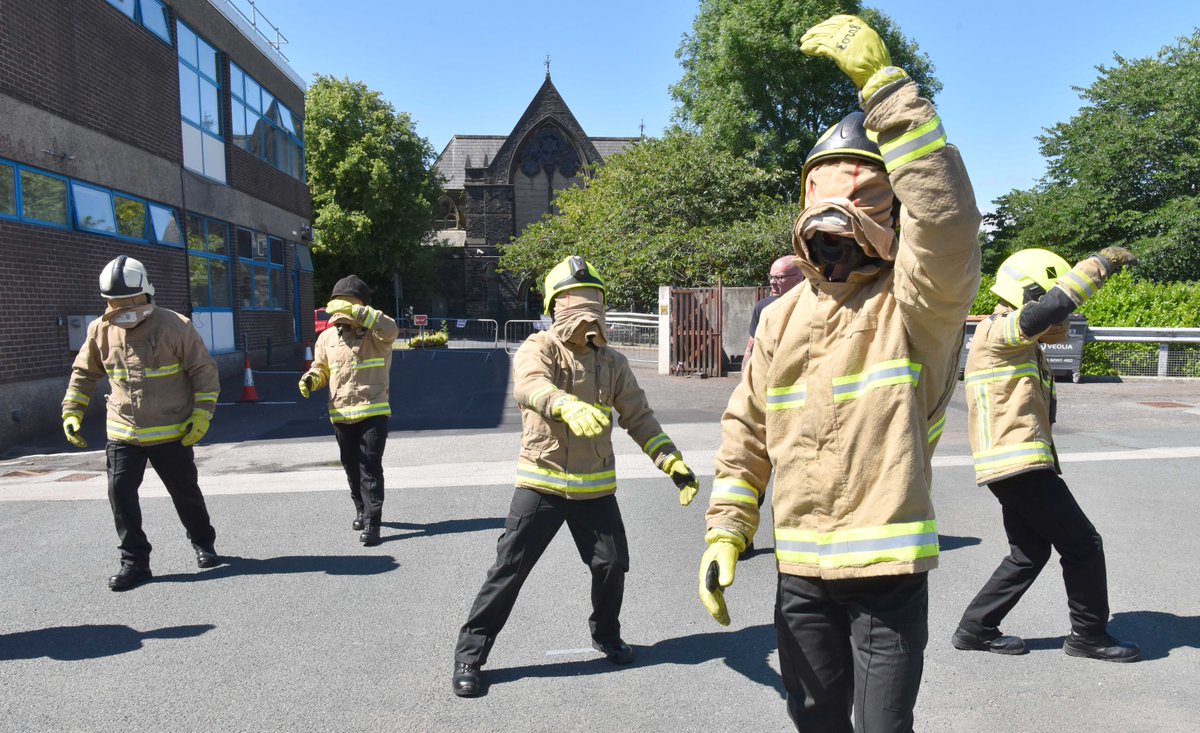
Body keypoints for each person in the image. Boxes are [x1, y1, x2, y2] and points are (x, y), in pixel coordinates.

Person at [697, 15, 981, 731]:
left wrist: (890, 96)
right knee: (816, 722)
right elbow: (746, 433)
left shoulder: (916, 308)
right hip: (800, 575)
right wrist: (727, 531)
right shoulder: (781, 319)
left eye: (858, 203)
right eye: (822, 204)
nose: (835, 226)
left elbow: (946, 230)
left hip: (887, 577)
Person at [452, 255, 700, 698]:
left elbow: (639, 416)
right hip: (542, 482)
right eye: (574, 304)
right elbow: (529, 385)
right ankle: (470, 654)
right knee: (508, 570)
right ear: (553, 307)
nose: (587, 315)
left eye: (594, 304)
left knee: (611, 565)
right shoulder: (539, 347)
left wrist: (672, 462)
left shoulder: (614, 362)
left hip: (595, 487)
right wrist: (562, 403)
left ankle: (605, 634)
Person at [952, 246, 1141, 662]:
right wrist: (1099, 264)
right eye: (1042, 295)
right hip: (1017, 464)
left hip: (1015, 463)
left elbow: (1053, 320)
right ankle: (1089, 636)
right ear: (1029, 291)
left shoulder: (1013, 339)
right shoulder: (999, 331)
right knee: (1083, 544)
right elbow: (1054, 307)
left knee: (1029, 552)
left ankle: (975, 628)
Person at [62, 256, 222, 591]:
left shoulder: (175, 326)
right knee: (120, 493)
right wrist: (72, 410)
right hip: (123, 431)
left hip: (172, 429)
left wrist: (202, 412)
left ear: (147, 294)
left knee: (184, 491)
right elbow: (84, 373)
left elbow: (203, 371)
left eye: (130, 304)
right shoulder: (100, 330)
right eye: (116, 305)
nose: (124, 313)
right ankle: (134, 562)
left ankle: (203, 542)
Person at [299, 275, 399, 546]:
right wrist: (311, 379)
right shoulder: (327, 337)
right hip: (341, 412)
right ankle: (361, 509)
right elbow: (321, 368)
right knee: (351, 466)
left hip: (373, 409)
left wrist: (359, 313)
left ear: (360, 306)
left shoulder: (377, 334)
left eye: (347, 305)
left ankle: (373, 523)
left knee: (370, 466)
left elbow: (391, 329)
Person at [743, 255, 803, 367]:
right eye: (771, 277)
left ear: (798, 277)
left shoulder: (811, 304)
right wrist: (744, 382)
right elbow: (750, 349)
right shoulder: (763, 307)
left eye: (779, 278)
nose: (772, 282)